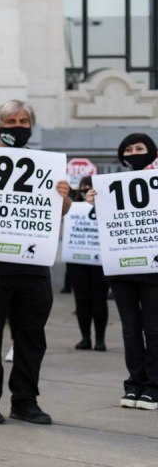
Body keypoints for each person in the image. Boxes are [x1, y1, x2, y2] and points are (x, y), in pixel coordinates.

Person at [0, 101, 70, 425]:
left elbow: (62, 210)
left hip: (34, 264)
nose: (17, 126)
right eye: (10, 121)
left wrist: (63, 196)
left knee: (32, 337)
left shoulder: (45, 163)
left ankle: (25, 401)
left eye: (23, 121)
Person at [88, 134, 158, 410]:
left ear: (152, 153)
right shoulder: (110, 187)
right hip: (121, 270)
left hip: (153, 270)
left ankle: (154, 386)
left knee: (154, 328)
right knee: (130, 329)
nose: (133, 152)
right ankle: (134, 384)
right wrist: (96, 202)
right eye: (128, 149)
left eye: (139, 148)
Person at [66, 175, 108, 352]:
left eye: (89, 186)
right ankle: (85, 338)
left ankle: (100, 339)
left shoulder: (106, 205)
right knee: (81, 301)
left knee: (99, 301)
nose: (85, 190)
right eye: (83, 186)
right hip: (77, 260)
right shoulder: (73, 205)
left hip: (100, 262)